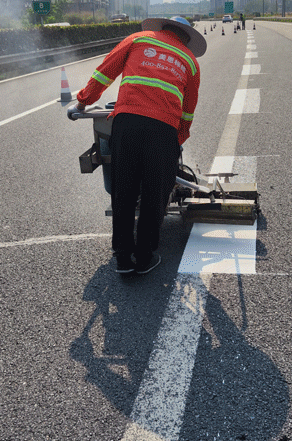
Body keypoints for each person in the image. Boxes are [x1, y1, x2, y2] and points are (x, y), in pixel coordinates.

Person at [69, 17, 206, 274]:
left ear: (163, 28)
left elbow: (104, 72)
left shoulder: (138, 39)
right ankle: (144, 258)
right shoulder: (190, 62)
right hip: (163, 129)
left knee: (124, 190)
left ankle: (122, 258)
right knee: (156, 193)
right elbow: (188, 111)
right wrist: (177, 139)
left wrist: (82, 103)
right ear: (187, 38)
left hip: (127, 123)